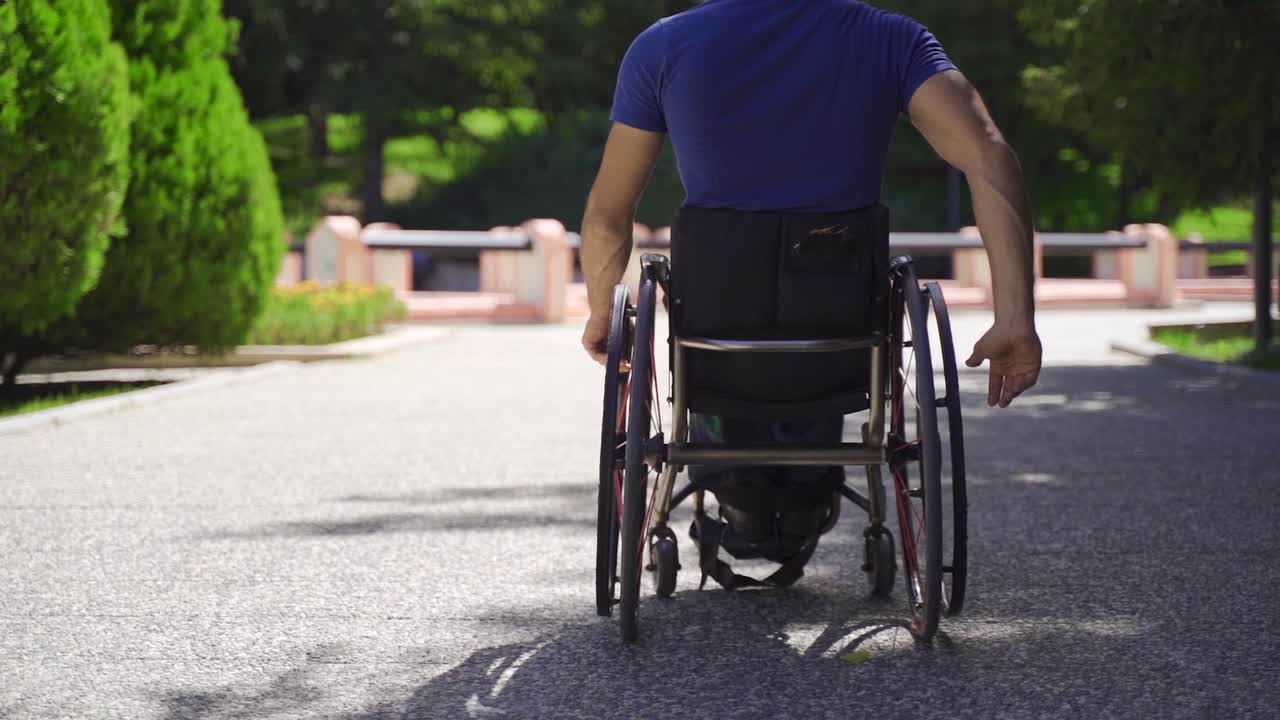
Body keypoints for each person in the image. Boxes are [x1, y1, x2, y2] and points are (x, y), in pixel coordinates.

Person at [578, 0, 1042, 560]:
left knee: (725, 366)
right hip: (843, 338)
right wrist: (1016, 319)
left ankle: (745, 506)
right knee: (826, 309)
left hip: (717, 337)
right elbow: (990, 157)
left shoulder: (663, 46)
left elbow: (608, 215)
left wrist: (605, 312)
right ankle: (796, 506)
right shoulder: (893, 41)